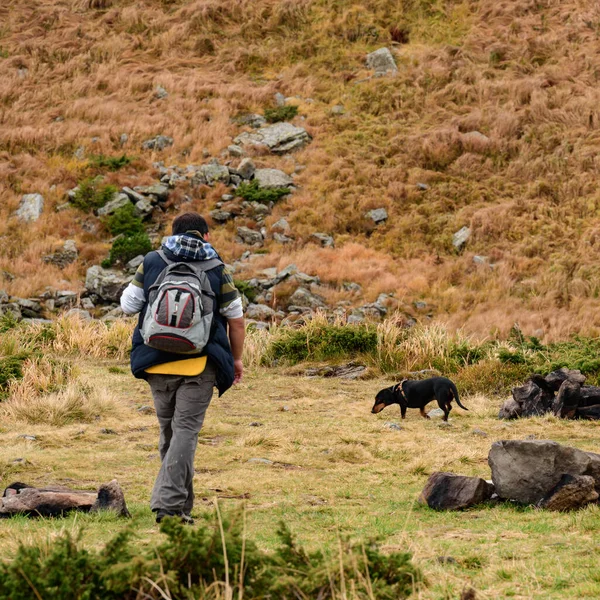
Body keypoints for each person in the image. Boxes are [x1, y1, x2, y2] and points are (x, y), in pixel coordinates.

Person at [120, 212, 244, 524]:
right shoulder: (216, 267)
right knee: (185, 433)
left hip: (156, 360)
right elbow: (236, 318)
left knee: (170, 434)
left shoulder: (151, 261)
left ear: (173, 233)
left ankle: (179, 504)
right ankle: (170, 508)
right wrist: (237, 359)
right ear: (205, 235)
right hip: (200, 363)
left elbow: (128, 305)